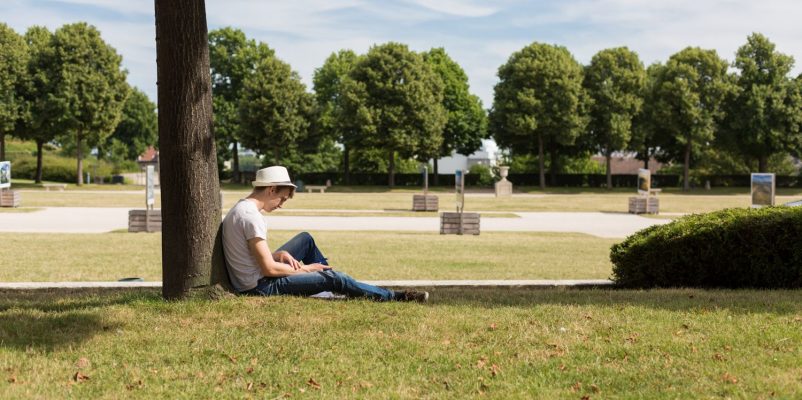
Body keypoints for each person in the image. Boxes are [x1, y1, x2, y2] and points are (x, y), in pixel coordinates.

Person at [222, 165, 428, 302]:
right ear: (271, 190)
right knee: (334, 277)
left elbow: (252, 256)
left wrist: (279, 255)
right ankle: (395, 297)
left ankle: (325, 287)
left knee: (305, 239)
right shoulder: (252, 217)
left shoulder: (241, 209)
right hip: (260, 287)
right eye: (282, 199)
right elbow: (268, 269)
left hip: (254, 277)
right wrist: (306, 270)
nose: (281, 205)